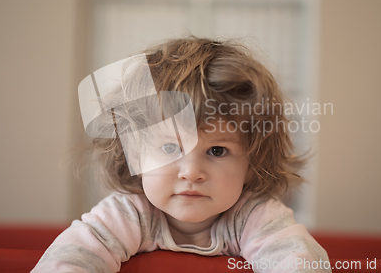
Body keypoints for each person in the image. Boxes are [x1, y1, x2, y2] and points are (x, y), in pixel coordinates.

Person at [31, 37, 331, 272]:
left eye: (217, 150)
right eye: (170, 148)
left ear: (254, 162)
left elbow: (298, 262)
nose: (191, 172)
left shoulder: (255, 216)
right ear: (135, 157)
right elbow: (69, 262)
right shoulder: (128, 214)